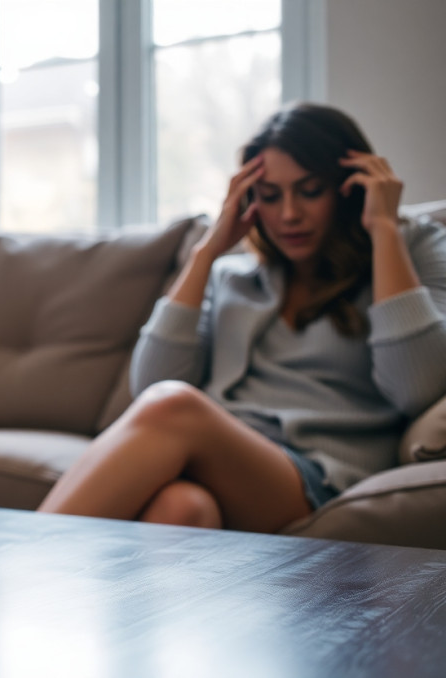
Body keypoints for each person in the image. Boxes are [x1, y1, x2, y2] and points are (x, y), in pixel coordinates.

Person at [38, 102, 446, 532]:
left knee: (174, 405)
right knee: (183, 508)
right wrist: (207, 251)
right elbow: (150, 382)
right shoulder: (232, 276)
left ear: (350, 189)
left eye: (309, 191)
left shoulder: (411, 251)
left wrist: (384, 228)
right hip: (218, 466)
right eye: (270, 196)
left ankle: (23, 577)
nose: (289, 214)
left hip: (317, 477)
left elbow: (418, 389)